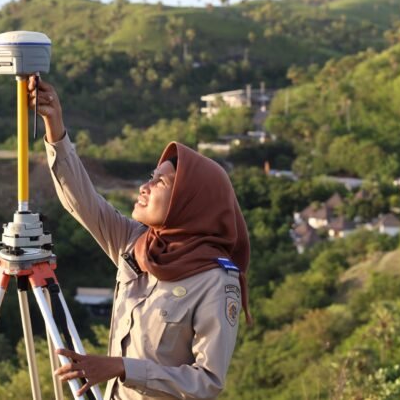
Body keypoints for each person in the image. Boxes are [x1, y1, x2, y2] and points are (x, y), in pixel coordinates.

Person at [28, 75, 251, 399]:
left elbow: (207, 383)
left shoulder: (215, 281)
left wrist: (123, 368)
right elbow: (82, 201)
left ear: (189, 200)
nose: (144, 187)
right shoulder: (136, 243)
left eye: (161, 182)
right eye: (150, 177)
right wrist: (55, 126)